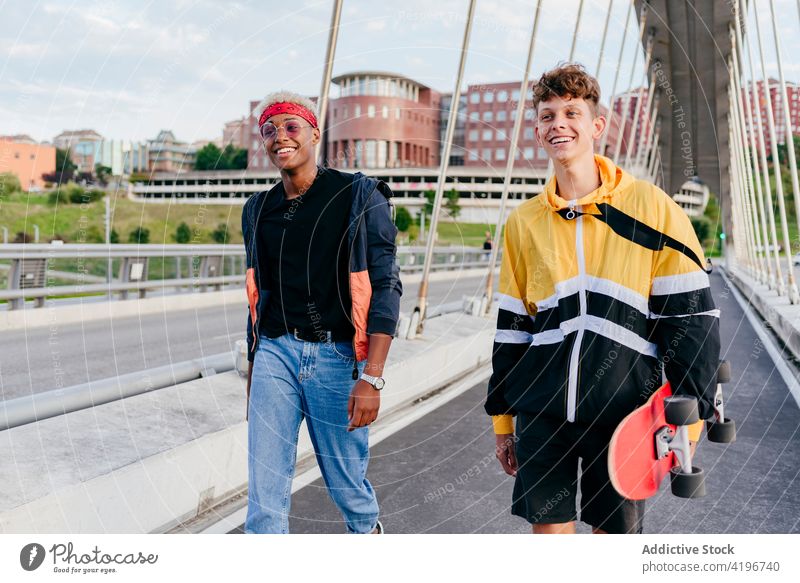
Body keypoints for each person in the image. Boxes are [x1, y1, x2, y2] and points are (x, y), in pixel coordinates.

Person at [485, 64, 720, 534]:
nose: (559, 125)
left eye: (571, 113)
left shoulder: (653, 206)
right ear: (537, 129)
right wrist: (504, 423)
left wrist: (690, 420)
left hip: (625, 410)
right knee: (548, 535)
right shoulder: (523, 221)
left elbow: (692, 318)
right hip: (543, 407)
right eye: (548, 115)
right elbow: (513, 327)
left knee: (613, 543)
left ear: (597, 125)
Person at [242, 91, 402, 534]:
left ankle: (367, 533)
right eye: (270, 131)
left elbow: (387, 284)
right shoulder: (258, 210)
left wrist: (371, 376)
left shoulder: (357, 195)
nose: (280, 138)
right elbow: (257, 294)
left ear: (314, 133)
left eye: (291, 127)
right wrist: (256, 364)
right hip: (275, 352)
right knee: (265, 492)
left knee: (347, 484)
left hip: (335, 358)